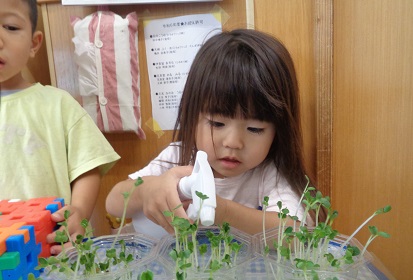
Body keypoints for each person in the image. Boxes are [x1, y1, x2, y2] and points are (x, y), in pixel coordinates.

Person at [106, 28, 325, 239]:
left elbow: (295, 236)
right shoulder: (178, 157)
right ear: (193, 116)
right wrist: (147, 191)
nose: (233, 142)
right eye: (217, 123)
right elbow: (113, 202)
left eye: (255, 129)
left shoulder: (269, 175)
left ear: (279, 130)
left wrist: (221, 211)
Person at [0, 0, 120, 254]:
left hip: (53, 253)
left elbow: (88, 167)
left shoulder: (58, 104)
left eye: (10, 27)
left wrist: (77, 211)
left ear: (34, 44)